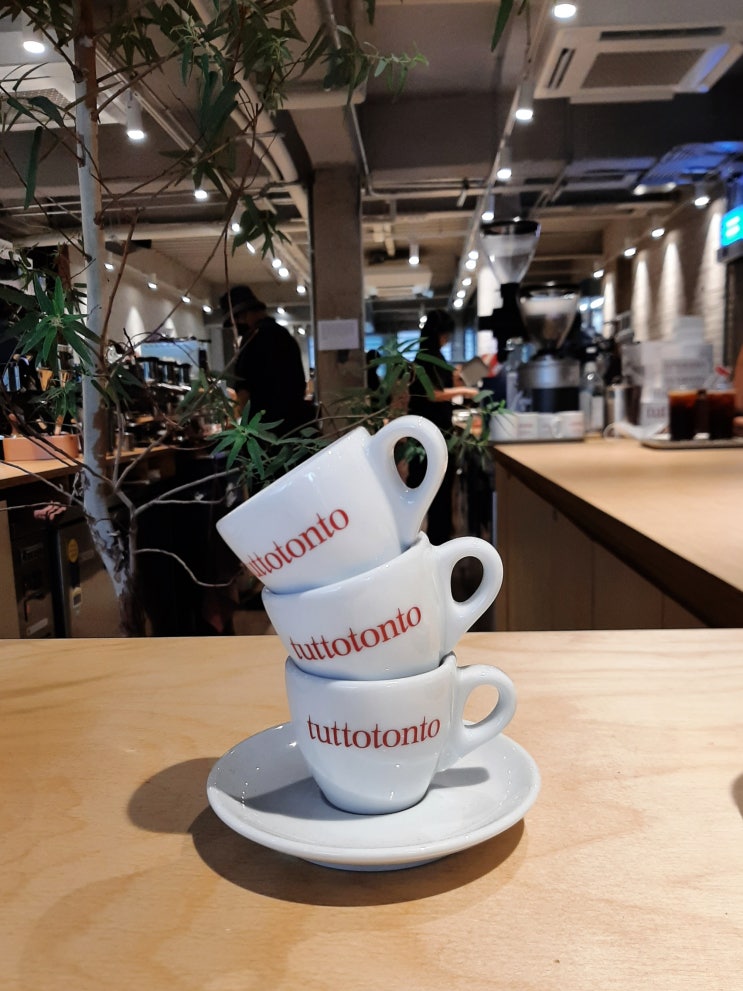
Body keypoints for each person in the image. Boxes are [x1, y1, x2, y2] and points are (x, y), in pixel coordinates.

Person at [407, 309, 479, 544]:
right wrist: (464, 389)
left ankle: (428, 539)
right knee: (435, 488)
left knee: (427, 488)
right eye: (446, 334)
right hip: (431, 434)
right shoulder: (428, 358)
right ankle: (436, 540)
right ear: (440, 334)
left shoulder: (427, 356)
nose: (447, 339)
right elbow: (433, 394)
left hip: (426, 434)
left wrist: (456, 378)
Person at [219, 284, 311, 436]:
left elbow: (244, 392)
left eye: (234, 322)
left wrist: (244, 428)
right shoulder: (285, 336)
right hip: (294, 427)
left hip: (264, 430)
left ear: (242, 316)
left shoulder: (252, 340)